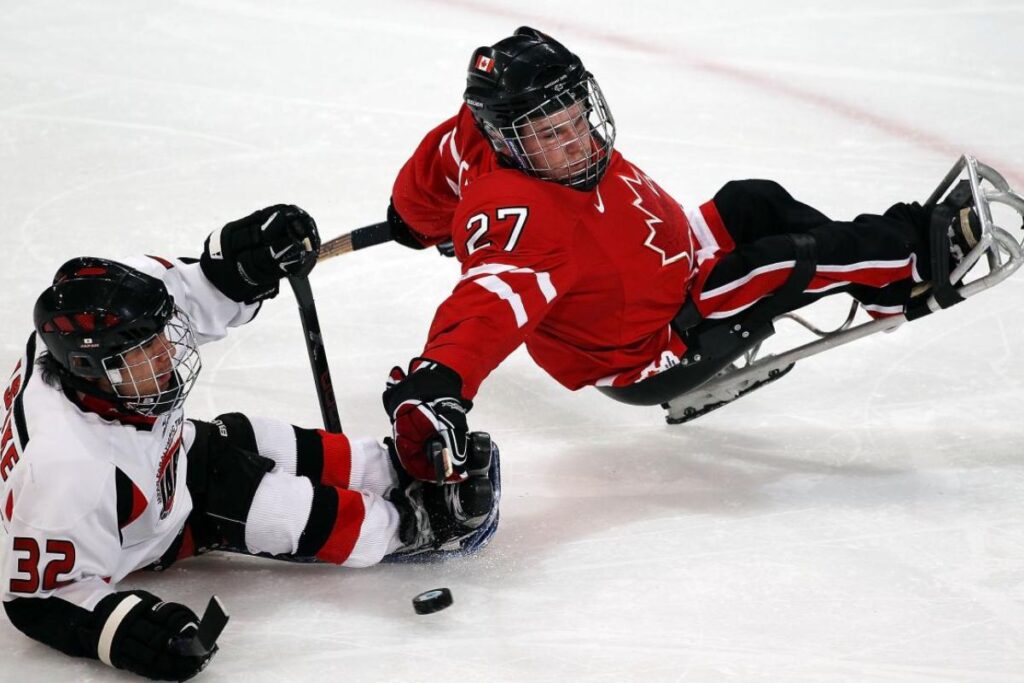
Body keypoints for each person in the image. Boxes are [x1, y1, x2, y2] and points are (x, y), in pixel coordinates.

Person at [379, 26, 984, 483]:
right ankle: (915, 258)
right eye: (550, 132)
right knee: (779, 260)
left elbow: (433, 172)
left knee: (753, 201)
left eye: (574, 116)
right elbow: (491, 300)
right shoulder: (524, 217)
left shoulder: (475, 136)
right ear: (507, 136)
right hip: (658, 335)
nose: (575, 138)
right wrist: (443, 381)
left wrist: (415, 223)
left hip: (673, 257)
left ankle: (876, 281)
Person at [0, 205, 498, 681]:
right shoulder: (66, 475)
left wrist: (243, 261)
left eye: (159, 339)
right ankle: (410, 526)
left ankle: (387, 468)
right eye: (145, 352)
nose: (167, 353)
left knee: (247, 436)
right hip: (150, 528)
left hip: (166, 458)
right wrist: (128, 633)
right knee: (268, 505)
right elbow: (36, 598)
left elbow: (188, 292)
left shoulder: (87, 342)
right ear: (91, 369)